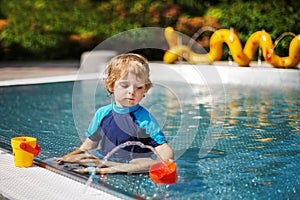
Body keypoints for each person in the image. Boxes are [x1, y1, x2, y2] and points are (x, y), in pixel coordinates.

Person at [56, 53, 174, 174]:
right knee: (82, 158)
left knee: (148, 163)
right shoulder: (102, 113)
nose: (131, 92)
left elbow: (163, 147)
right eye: (125, 85)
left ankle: (110, 168)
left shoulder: (145, 119)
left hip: (132, 164)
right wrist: (68, 157)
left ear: (145, 89)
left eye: (139, 87)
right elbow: (87, 146)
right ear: (111, 85)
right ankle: (108, 165)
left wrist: (167, 160)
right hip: (104, 158)